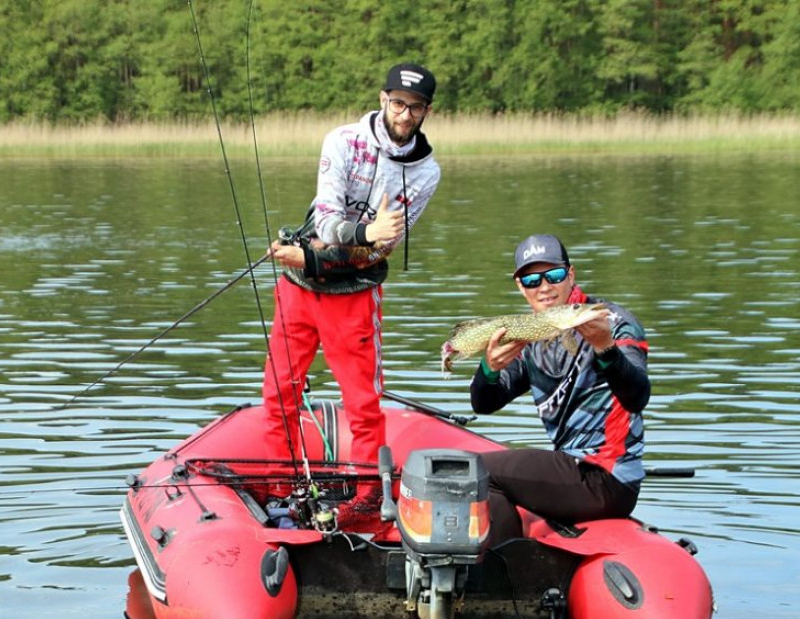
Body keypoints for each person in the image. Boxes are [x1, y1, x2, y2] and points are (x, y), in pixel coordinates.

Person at [262, 62, 441, 521]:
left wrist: (336, 250)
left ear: (426, 112)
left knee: (362, 404)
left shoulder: (426, 174)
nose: (405, 114)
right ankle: (281, 488)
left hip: (355, 296)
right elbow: (324, 220)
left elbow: (377, 253)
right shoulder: (342, 141)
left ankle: (365, 499)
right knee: (280, 392)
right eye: (398, 103)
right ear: (383, 99)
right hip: (300, 287)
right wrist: (359, 236)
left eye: (415, 108)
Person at [469, 234, 650, 544]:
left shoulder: (612, 322)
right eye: (531, 279)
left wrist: (605, 349)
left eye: (553, 275)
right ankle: (512, 557)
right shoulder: (530, 336)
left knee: (476, 469)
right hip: (572, 468)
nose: (544, 287)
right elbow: (483, 404)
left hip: (606, 478)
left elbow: (637, 397)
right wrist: (489, 369)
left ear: (571, 275)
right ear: (520, 287)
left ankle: (503, 572)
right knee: (475, 471)